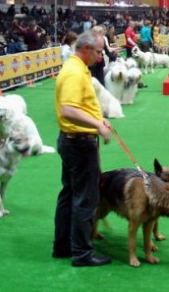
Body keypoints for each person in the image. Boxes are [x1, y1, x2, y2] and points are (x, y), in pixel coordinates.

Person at [52, 29, 113, 267]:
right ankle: (82, 253)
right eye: (98, 51)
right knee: (85, 199)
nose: (101, 56)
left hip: (72, 140)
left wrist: (97, 118)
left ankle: (63, 246)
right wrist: (98, 124)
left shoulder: (75, 68)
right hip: (79, 143)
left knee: (69, 195)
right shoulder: (75, 73)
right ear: (85, 48)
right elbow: (68, 109)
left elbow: (78, 106)